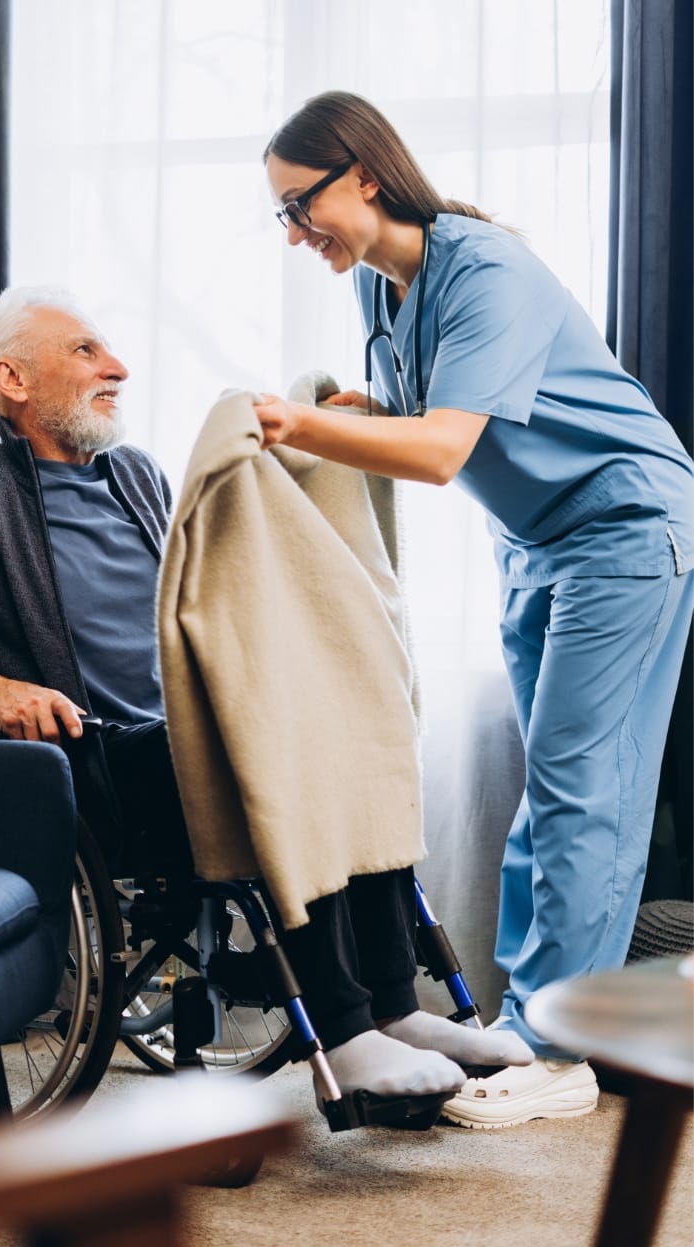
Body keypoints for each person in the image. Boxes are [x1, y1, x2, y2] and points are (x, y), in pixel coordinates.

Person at [0, 284, 532, 1120]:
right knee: (272, 747)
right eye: (86, 352)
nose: (117, 367)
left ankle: (393, 1005)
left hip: (198, 724)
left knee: (349, 721)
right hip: (100, 755)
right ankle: (343, 1028)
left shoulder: (137, 476)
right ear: (12, 380)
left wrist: (319, 446)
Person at [254, 91, 694, 1128]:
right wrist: (354, 411)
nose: (293, 231)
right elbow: (418, 411)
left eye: (298, 204)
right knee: (547, 790)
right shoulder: (380, 286)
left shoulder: (483, 267)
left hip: (622, 526)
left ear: (362, 173)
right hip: (537, 541)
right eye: (278, 215)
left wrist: (305, 429)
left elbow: (444, 448)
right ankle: (528, 1024)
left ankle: (557, 1050)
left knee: (583, 791)